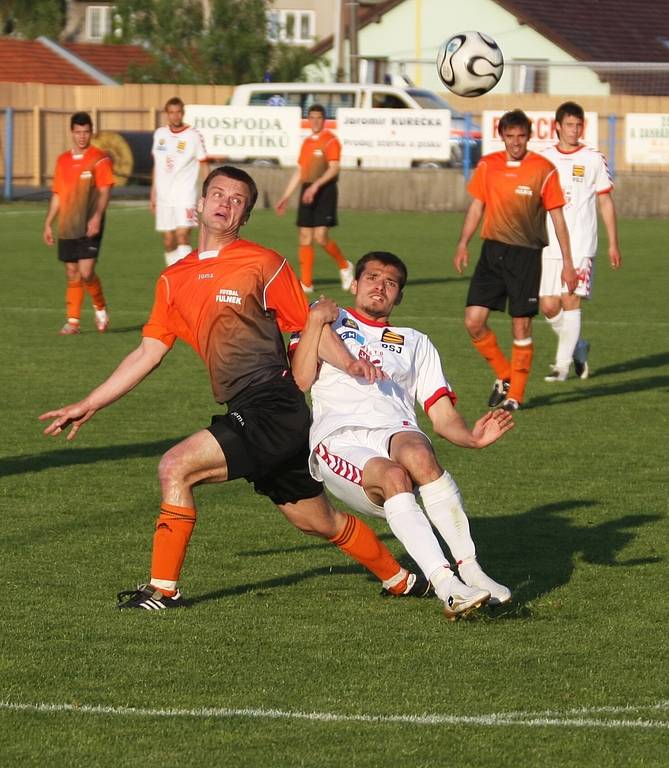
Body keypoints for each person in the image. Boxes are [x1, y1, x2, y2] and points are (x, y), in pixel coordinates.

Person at [40, 166, 427, 611]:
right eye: (218, 194)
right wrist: (91, 402)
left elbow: (310, 326)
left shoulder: (263, 262)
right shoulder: (173, 279)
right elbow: (147, 353)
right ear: (199, 205)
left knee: (175, 467)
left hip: (274, 403)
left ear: (244, 216)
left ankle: (162, 590)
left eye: (237, 199)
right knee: (317, 520)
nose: (225, 203)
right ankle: (401, 580)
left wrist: (351, 362)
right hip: (252, 408)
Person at [290, 252, 515, 619]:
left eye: (390, 282)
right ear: (355, 283)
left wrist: (471, 438)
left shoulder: (415, 342)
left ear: (399, 296)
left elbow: (441, 415)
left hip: (396, 432)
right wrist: (315, 322)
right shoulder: (328, 321)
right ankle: (447, 586)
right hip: (339, 439)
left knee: (419, 456)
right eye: (372, 277)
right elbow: (299, 381)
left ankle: (472, 570)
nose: (380, 286)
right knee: (395, 476)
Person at [453, 109, 578, 411]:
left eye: (521, 136)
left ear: (528, 136)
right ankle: (505, 374)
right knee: (473, 322)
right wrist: (463, 243)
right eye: (510, 137)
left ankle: (516, 395)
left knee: (521, 326)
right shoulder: (488, 165)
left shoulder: (543, 169)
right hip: (491, 252)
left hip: (526, 255)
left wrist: (568, 263)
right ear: (502, 136)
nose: (516, 143)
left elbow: (558, 218)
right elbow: (476, 207)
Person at [540, 101, 622, 381]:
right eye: (569, 125)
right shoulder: (542, 158)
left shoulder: (593, 158)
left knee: (571, 299)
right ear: (558, 127)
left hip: (581, 244)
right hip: (548, 245)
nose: (574, 130)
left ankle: (561, 367)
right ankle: (578, 348)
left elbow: (606, 201)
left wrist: (613, 242)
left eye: (578, 125)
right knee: (549, 307)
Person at [43, 111, 113, 335]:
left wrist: (96, 217)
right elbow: (57, 194)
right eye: (78, 132)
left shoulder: (99, 158)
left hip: (90, 222)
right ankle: (73, 322)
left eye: (86, 132)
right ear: (72, 133)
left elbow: (104, 191)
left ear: (91, 132)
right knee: (72, 271)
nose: (82, 136)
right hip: (67, 223)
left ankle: (100, 308)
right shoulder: (62, 160)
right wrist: (48, 223)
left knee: (86, 271)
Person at [274, 103, 354, 294]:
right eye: (312, 117)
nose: (315, 121)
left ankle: (344, 266)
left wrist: (317, 185)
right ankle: (307, 283)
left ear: (324, 119)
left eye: (319, 117)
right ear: (308, 120)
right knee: (304, 236)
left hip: (324, 190)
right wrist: (285, 196)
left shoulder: (331, 141)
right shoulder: (307, 143)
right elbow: (300, 171)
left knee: (320, 237)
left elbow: (334, 167)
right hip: (307, 189)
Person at [151, 96, 209, 266]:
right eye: (171, 113)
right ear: (167, 114)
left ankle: (187, 278)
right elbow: (157, 165)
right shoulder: (160, 134)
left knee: (182, 236)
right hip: (163, 197)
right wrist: (153, 194)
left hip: (185, 196)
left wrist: (207, 194)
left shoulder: (193, 135)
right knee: (169, 241)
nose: (175, 116)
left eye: (178, 112)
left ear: (182, 113)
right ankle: (175, 278)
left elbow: (204, 164)